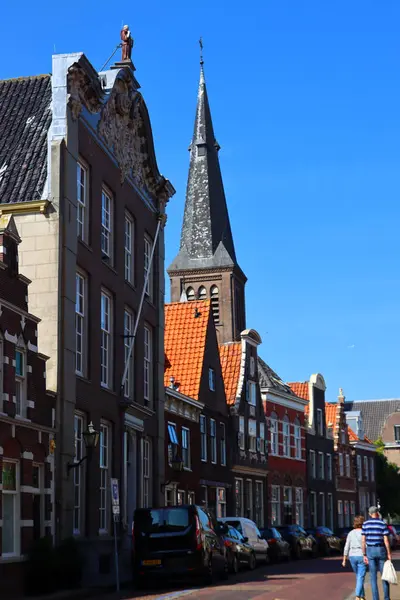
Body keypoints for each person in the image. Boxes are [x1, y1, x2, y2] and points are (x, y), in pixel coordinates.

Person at [362, 506, 392, 600]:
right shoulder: (382, 524)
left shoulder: (365, 524)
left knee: (373, 577)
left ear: (370, 514)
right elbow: (386, 540)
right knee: (385, 575)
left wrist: (364, 554)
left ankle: (376, 598)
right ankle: (386, 598)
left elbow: (363, 540)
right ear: (377, 513)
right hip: (381, 549)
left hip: (370, 550)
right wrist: (389, 553)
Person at [343, 515, 367, 600]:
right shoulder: (364, 532)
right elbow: (366, 544)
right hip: (361, 555)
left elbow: (347, 546)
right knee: (360, 577)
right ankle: (357, 596)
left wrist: (344, 559)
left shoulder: (350, 533)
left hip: (352, 556)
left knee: (358, 576)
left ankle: (362, 596)